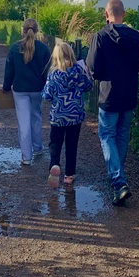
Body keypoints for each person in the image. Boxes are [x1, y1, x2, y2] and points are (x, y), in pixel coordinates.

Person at [86, 0, 139, 205]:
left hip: (108, 94)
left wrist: (104, 75)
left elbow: (92, 67)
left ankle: (118, 181)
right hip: (129, 92)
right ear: (124, 14)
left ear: (106, 14)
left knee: (107, 134)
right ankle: (118, 177)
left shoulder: (100, 36)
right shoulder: (136, 36)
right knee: (122, 134)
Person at [42, 42, 93, 188]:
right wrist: (87, 73)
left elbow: (47, 95)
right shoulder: (79, 71)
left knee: (55, 143)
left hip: (58, 115)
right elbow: (88, 86)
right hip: (75, 115)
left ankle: (54, 165)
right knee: (72, 144)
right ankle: (69, 174)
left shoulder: (54, 74)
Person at [2, 18, 51, 165]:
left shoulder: (15, 48)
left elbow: (9, 70)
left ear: (23, 30)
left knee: (23, 122)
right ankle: (38, 147)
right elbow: (47, 72)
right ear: (36, 32)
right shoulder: (43, 49)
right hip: (37, 89)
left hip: (20, 89)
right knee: (36, 117)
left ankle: (26, 157)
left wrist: (6, 87)